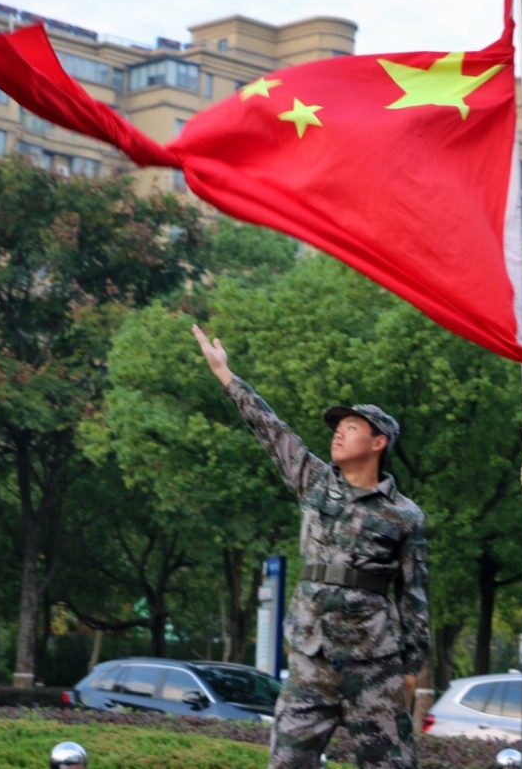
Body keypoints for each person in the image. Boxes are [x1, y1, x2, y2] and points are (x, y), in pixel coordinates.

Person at [193, 324, 430, 769]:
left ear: (378, 442)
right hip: (311, 656)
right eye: (337, 427)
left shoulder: (405, 515)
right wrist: (225, 374)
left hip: (374, 663)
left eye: (351, 427)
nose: (338, 433)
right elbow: (271, 430)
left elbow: (414, 597)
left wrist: (412, 670)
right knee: (286, 763)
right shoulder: (314, 481)